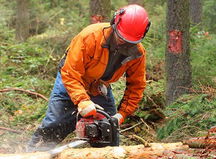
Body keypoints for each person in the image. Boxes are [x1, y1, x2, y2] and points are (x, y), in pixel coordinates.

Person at [26, 4, 150, 151]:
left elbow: (136, 85)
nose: (124, 43)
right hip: (71, 80)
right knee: (54, 123)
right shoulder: (90, 37)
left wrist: (121, 114)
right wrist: (83, 102)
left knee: (108, 131)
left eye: (130, 41)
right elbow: (71, 72)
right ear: (114, 23)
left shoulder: (137, 53)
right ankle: (32, 156)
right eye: (122, 37)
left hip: (99, 87)